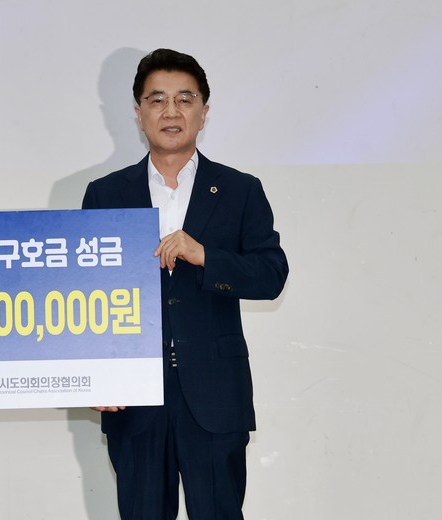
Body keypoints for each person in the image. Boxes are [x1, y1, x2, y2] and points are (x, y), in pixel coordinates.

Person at [82, 49, 289, 519]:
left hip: (215, 395)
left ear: (204, 111)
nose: (171, 111)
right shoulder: (106, 193)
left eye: (184, 99)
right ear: (138, 113)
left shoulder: (240, 190)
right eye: (157, 100)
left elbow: (272, 274)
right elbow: (88, 294)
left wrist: (207, 256)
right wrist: (96, 376)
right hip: (134, 397)